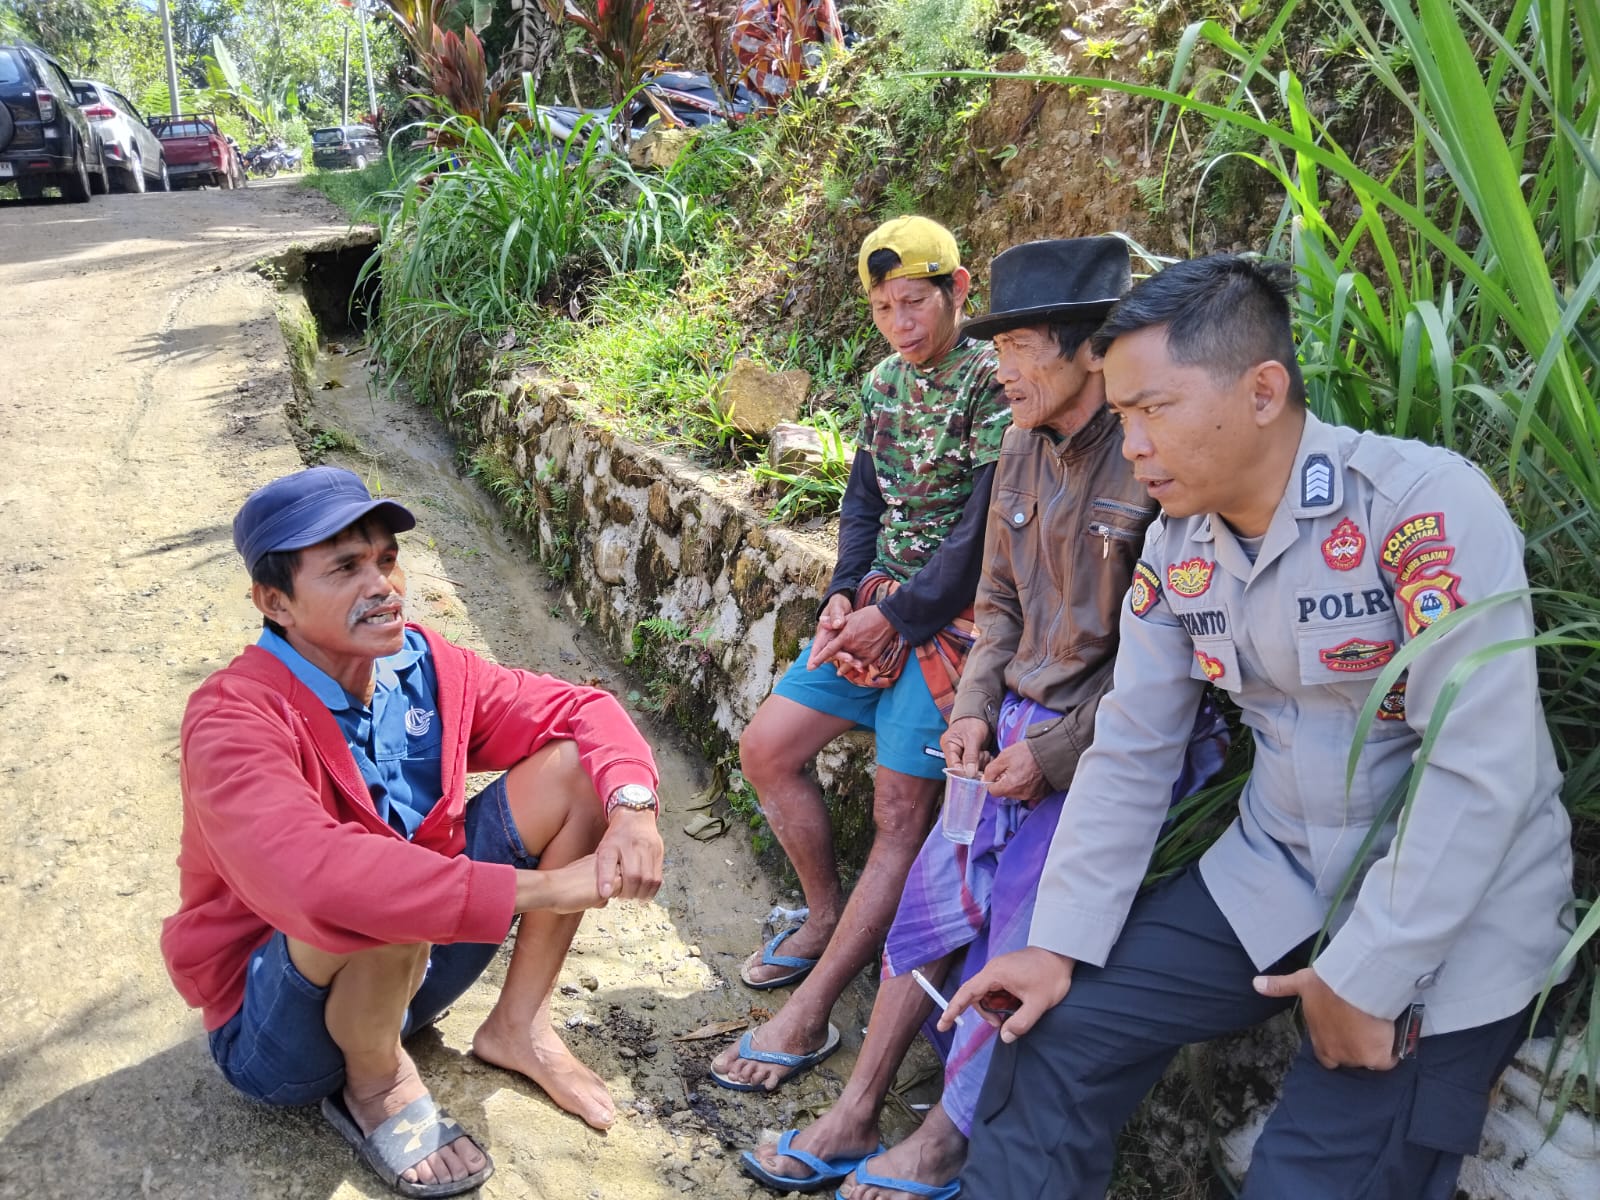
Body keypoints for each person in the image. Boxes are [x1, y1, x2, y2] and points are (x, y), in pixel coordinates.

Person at [942, 255, 1575, 1198]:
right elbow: (1132, 748)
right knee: (1052, 1038)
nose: (1136, 443)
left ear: (1264, 390)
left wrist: (1371, 969)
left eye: (1155, 408)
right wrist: (1058, 941)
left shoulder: (1419, 511)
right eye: (1124, 416)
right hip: (1274, 873)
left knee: (1312, 1180)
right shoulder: (1177, 544)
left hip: (1453, 911)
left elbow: (1481, 768)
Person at [739, 238, 1228, 1197]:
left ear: (1093, 353)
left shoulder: (1153, 471)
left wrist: (1049, 752)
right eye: (997, 348)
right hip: (1012, 718)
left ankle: (948, 1139)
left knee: (1009, 925)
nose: (1000, 368)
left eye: (1021, 349)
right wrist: (974, 713)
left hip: (1111, 749)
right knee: (930, 904)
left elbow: (1167, 671)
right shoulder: (1017, 445)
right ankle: (859, 1103)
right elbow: (998, 604)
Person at [161, 467, 666, 1199]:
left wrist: (632, 805)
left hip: (410, 978)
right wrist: (549, 886)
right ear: (275, 601)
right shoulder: (233, 716)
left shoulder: (423, 667)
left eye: (386, 559)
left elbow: (582, 710)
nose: (383, 585)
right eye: (345, 567)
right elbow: (317, 877)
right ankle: (378, 1084)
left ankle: (518, 1026)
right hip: (277, 1030)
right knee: (372, 882)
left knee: (576, 771)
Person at [711, 216, 1010, 1092]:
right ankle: (822, 913)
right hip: (876, 608)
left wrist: (905, 616)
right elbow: (862, 503)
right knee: (766, 748)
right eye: (883, 307)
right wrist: (846, 590)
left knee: (895, 819)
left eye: (914, 302)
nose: (900, 323)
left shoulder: (993, 382)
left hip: (947, 628)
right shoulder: (884, 384)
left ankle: (811, 1014)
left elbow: (981, 527)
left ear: (958, 290)